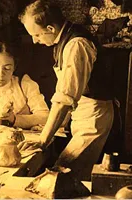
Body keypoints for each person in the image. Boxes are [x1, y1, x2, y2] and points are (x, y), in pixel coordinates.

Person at [18, 0, 114, 180]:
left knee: (61, 176)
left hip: (93, 117)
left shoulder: (76, 45)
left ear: (51, 29)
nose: (34, 40)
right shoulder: (64, 40)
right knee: (65, 174)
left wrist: (43, 140)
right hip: (82, 113)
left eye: (37, 35)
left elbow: (65, 98)